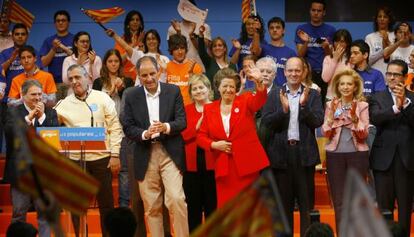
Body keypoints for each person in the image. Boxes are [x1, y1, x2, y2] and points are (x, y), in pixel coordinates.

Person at [121, 56, 189, 237]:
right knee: (152, 207)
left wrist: (165, 127)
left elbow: (182, 121)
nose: (149, 78)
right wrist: (145, 134)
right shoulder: (131, 95)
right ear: (138, 75)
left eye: (152, 73)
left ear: (159, 71)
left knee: (176, 199)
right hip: (145, 152)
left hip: (169, 152)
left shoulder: (173, 91)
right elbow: (127, 126)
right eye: (144, 75)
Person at [55, 64, 122, 237]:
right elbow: (51, 127)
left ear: (88, 77)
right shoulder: (63, 104)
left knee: (106, 205)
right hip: (76, 161)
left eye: (78, 77)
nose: (74, 81)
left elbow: (115, 127)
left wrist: (115, 154)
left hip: (101, 159)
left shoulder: (103, 98)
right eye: (71, 79)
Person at [261, 57, 324, 236]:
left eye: (297, 70)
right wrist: (283, 111)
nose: (293, 74)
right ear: (284, 72)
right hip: (281, 155)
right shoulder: (274, 94)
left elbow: (318, 121)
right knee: (283, 205)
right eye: (290, 70)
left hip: (304, 155)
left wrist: (303, 106)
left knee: (306, 205)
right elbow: (266, 122)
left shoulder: (313, 94)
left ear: (303, 72)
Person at [197, 66, 269, 208]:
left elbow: (260, 99)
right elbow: (200, 136)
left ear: (236, 88)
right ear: (218, 87)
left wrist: (259, 81)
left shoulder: (245, 101)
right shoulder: (209, 109)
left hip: (247, 166)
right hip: (224, 168)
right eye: (225, 86)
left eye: (232, 86)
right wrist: (214, 145)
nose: (228, 89)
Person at [4, 79, 59, 237]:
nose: (37, 98)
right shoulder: (13, 112)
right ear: (23, 95)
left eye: (40, 94)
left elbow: (53, 141)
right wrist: (28, 118)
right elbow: (10, 134)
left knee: (44, 216)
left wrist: (41, 118)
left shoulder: (50, 112)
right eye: (33, 94)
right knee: (19, 214)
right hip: (21, 173)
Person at [369, 59, 414, 237]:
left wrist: (406, 104)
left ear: (404, 77)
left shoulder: (412, 98)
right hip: (382, 160)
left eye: (396, 74)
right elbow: (376, 117)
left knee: (405, 208)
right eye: (389, 74)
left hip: (407, 158)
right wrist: (397, 107)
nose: (392, 78)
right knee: (384, 208)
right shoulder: (377, 97)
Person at [321, 69, 370, 233]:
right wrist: (330, 120)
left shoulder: (363, 105)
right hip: (335, 155)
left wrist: (355, 121)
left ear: (355, 87)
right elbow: (326, 132)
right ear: (337, 86)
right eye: (342, 84)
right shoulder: (331, 104)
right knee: (339, 200)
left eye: (349, 84)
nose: (346, 87)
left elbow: (364, 134)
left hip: (358, 155)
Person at [92, 49, 134, 208]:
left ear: (120, 63)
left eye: (116, 61)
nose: (113, 64)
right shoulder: (98, 82)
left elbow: (129, 104)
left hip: (122, 129)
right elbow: (95, 106)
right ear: (105, 64)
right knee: (104, 171)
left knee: (123, 170)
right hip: (103, 131)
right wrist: (110, 92)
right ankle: (105, 203)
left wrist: (122, 88)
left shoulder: (128, 81)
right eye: (110, 61)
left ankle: (124, 204)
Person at [181, 74, 216, 232]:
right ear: (190, 92)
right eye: (194, 88)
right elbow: (182, 135)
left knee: (212, 209)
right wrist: (196, 128)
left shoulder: (217, 107)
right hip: (191, 168)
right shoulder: (186, 110)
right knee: (193, 210)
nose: (198, 91)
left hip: (213, 166)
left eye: (201, 87)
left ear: (208, 89)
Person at [295, 0, 336, 104]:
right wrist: (306, 42)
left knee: (323, 103)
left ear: (324, 12)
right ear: (310, 11)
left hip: (325, 73)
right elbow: (300, 55)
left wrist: (326, 47)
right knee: (305, 103)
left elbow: (331, 56)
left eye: (319, 10)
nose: (316, 13)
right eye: (313, 10)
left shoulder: (331, 30)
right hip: (307, 73)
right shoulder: (301, 29)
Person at [168, 0, 212, 72]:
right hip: (179, 69)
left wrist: (192, 36)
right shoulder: (172, 28)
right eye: (185, 8)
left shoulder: (204, 27)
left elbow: (203, 49)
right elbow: (172, 49)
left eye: (191, 9)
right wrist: (178, 32)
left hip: (200, 68)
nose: (188, 11)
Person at [195, 24, 236, 99]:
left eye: (220, 45)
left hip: (230, 101)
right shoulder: (209, 62)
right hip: (213, 102)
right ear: (212, 50)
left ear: (225, 49)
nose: (217, 48)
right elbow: (201, 51)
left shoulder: (232, 66)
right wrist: (201, 35)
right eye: (214, 46)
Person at [166, 33, 203, 106]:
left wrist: (192, 75)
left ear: (186, 49)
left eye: (182, 48)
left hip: (191, 109)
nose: (180, 52)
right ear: (171, 51)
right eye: (176, 49)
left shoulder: (195, 67)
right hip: (172, 109)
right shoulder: (166, 67)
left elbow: (201, 92)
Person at [259, 16, 296, 87]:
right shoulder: (262, 49)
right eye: (271, 28)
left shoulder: (291, 53)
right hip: (265, 91)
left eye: (278, 27)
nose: (274, 30)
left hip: (283, 92)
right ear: (269, 31)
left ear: (283, 30)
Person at [40, 10, 74, 84]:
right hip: (53, 83)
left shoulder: (75, 39)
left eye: (63, 20)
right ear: (55, 24)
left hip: (72, 81)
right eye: (58, 21)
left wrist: (64, 48)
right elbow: (43, 63)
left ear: (68, 23)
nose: (60, 23)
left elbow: (79, 60)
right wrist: (53, 48)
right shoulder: (48, 41)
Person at [229, 14, 266, 83]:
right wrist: (238, 49)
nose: (251, 26)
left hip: (256, 78)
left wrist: (256, 33)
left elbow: (256, 53)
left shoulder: (263, 43)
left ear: (258, 26)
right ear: (245, 26)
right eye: (248, 24)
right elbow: (233, 63)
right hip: (242, 78)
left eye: (253, 24)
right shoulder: (240, 41)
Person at [322, 29, 353, 100]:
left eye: (342, 41)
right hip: (331, 98)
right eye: (336, 41)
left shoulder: (351, 59)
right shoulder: (328, 58)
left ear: (347, 43)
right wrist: (334, 60)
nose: (338, 44)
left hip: (348, 98)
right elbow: (325, 79)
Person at [365, 6, 396, 76]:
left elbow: (396, 57)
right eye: (379, 16)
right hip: (375, 76)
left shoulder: (395, 36)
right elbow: (368, 61)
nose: (382, 19)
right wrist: (383, 52)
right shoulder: (369, 37)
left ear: (389, 20)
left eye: (385, 17)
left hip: (392, 75)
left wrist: (388, 42)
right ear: (376, 19)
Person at [115, 10, 145, 80]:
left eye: (137, 20)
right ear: (128, 24)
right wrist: (133, 46)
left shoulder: (147, 39)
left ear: (141, 23)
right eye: (132, 20)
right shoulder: (122, 40)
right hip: (126, 78)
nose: (135, 22)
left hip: (143, 77)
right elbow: (118, 61)